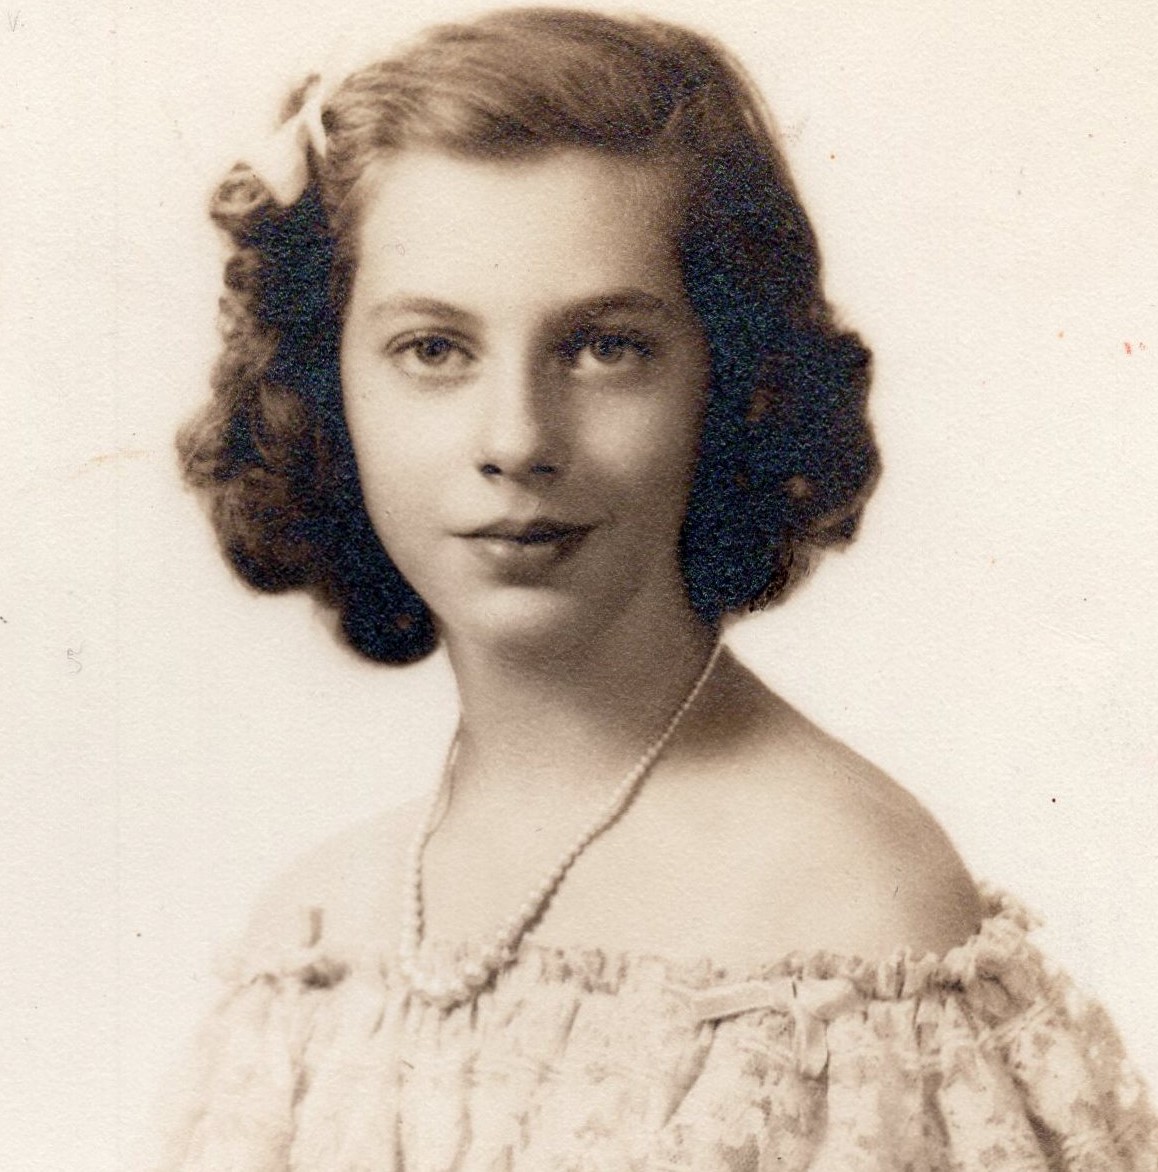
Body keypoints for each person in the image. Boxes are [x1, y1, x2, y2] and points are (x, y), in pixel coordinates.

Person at [160, 8, 1157, 1168]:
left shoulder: (849, 934)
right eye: (434, 349)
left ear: (727, 383)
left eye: (605, 346)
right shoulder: (313, 939)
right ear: (328, 386)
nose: (516, 439)